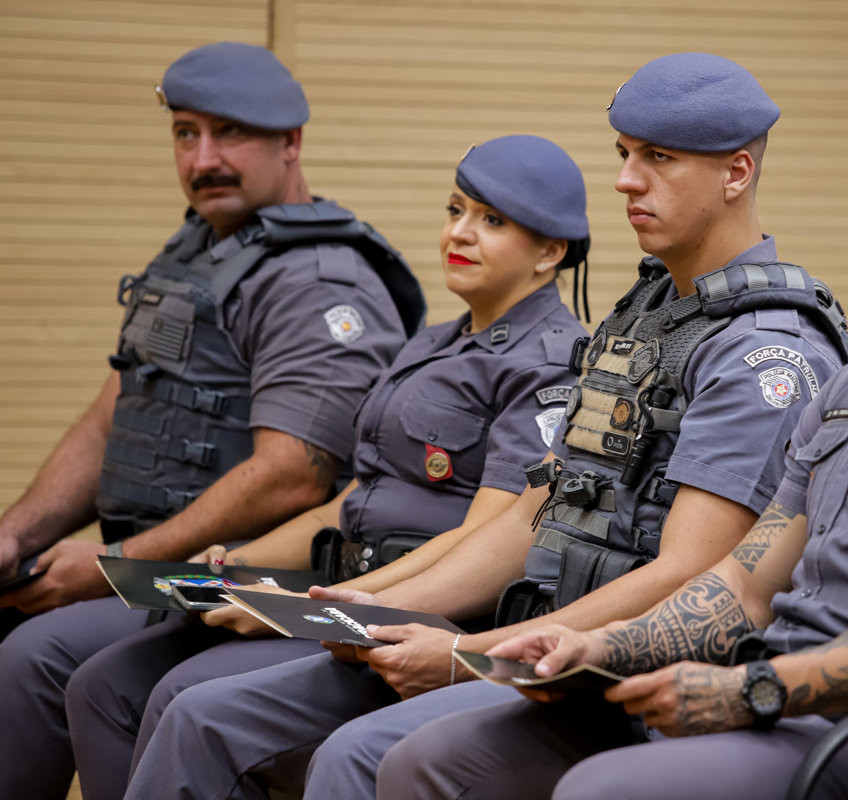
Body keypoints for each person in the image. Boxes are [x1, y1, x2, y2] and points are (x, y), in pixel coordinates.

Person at [371, 67, 848, 800]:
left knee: (602, 790)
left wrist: (753, 689)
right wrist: (595, 648)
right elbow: (743, 582)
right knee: (431, 762)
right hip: (770, 701)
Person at [122, 52, 848, 800]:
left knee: (363, 756)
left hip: (619, 673)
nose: (626, 180)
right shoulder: (642, 317)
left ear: (735, 174)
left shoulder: (765, 351)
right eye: (626, 155)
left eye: (658, 159)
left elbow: (692, 573)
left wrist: (469, 651)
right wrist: (377, 604)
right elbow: (534, 514)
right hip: (524, 636)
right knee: (204, 713)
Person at [42, 134, 591, 800]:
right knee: (107, 682)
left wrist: (316, 606)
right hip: (346, 589)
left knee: (191, 705)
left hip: (422, 616)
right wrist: (234, 564)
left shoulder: (550, 363)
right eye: (456, 210)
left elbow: (491, 538)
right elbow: (351, 500)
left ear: (551, 252)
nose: (461, 233)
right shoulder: (434, 342)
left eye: (492, 221)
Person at [0, 41, 425, 799]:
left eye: (230, 134)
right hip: (157, 569)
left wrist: (112, 570)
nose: (204, 159)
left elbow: (294, 475)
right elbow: (111, 419)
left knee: (35, 654)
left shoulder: (318, 279)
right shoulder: (196, 252)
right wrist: (19, 536)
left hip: (246, 577)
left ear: (290, 143)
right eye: (186, 133)